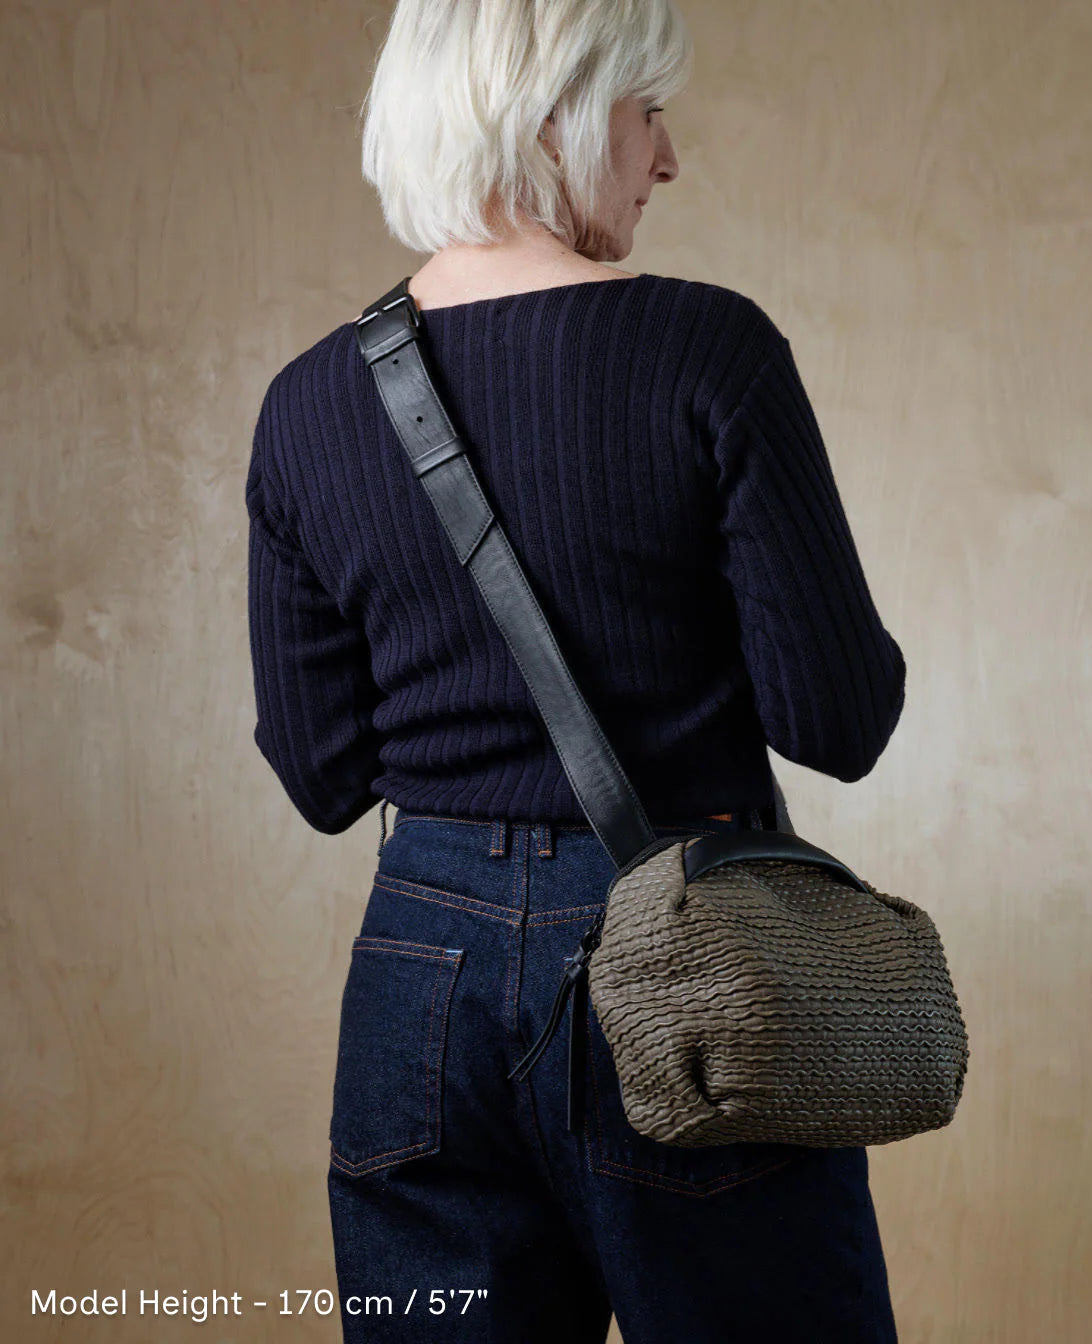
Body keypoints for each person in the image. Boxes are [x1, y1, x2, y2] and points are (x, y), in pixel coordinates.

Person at [245, 1, 907, 1340]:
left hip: (420, 980)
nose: (665, 157)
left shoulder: (305, 403)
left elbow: (320, 777)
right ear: (551, 116)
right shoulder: (708, 350)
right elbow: (836, 720)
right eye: (645, 112)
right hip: (689, 951)